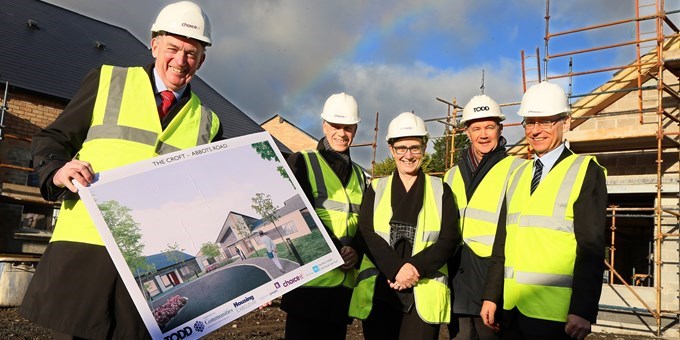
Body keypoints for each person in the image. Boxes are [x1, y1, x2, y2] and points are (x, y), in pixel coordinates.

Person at [19, 2, 222, 338]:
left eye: (191, 52)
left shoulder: (209, 122)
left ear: (202, 59)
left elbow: (205, 196)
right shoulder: (108, 81)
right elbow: (52, 137)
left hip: (147, 262)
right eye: (173, 48)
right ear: (154, 44)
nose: (180, 60)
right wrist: (56, 170)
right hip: (87, 249)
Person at [480, 82, 607, 340]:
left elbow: (591, 248)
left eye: (545, 122)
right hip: (511, 310)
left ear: (566, 122)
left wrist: (583, 310)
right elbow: (501, 242)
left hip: (556, 317)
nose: (535, 131)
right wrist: (491, 296)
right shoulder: (517, 174)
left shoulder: (585, 171)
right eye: (530, 122)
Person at [349, 112, 460, 340]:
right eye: (401, 148)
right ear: (391, 149)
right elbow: (367, 233)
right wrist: (395, 269)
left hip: (423, 292)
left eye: (415, 148)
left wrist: (414, 268)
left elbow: (449, 238)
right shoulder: (376, 188)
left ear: (425, 147)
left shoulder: (441, 190)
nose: (408, 155)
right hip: (382, 291)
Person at [280, 92, 366, 340]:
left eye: (348, 127)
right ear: (324, 125)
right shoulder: (302, 162)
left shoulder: (361, 176)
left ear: (355, 128)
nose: (342, 133)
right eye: (336, 126)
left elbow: (365, 224)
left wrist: (356, 250)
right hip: (307, 288)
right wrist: (337, 249)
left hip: (341, 290)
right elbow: (301, 215)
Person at [444, 95, 524, 340]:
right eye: (476, 128)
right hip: (457, 281)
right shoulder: (451, 175)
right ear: (467, 131)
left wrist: (495, 293)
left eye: (489, 127)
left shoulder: (517, 169)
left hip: (492, 282)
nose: (483, 134)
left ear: (500, 128)